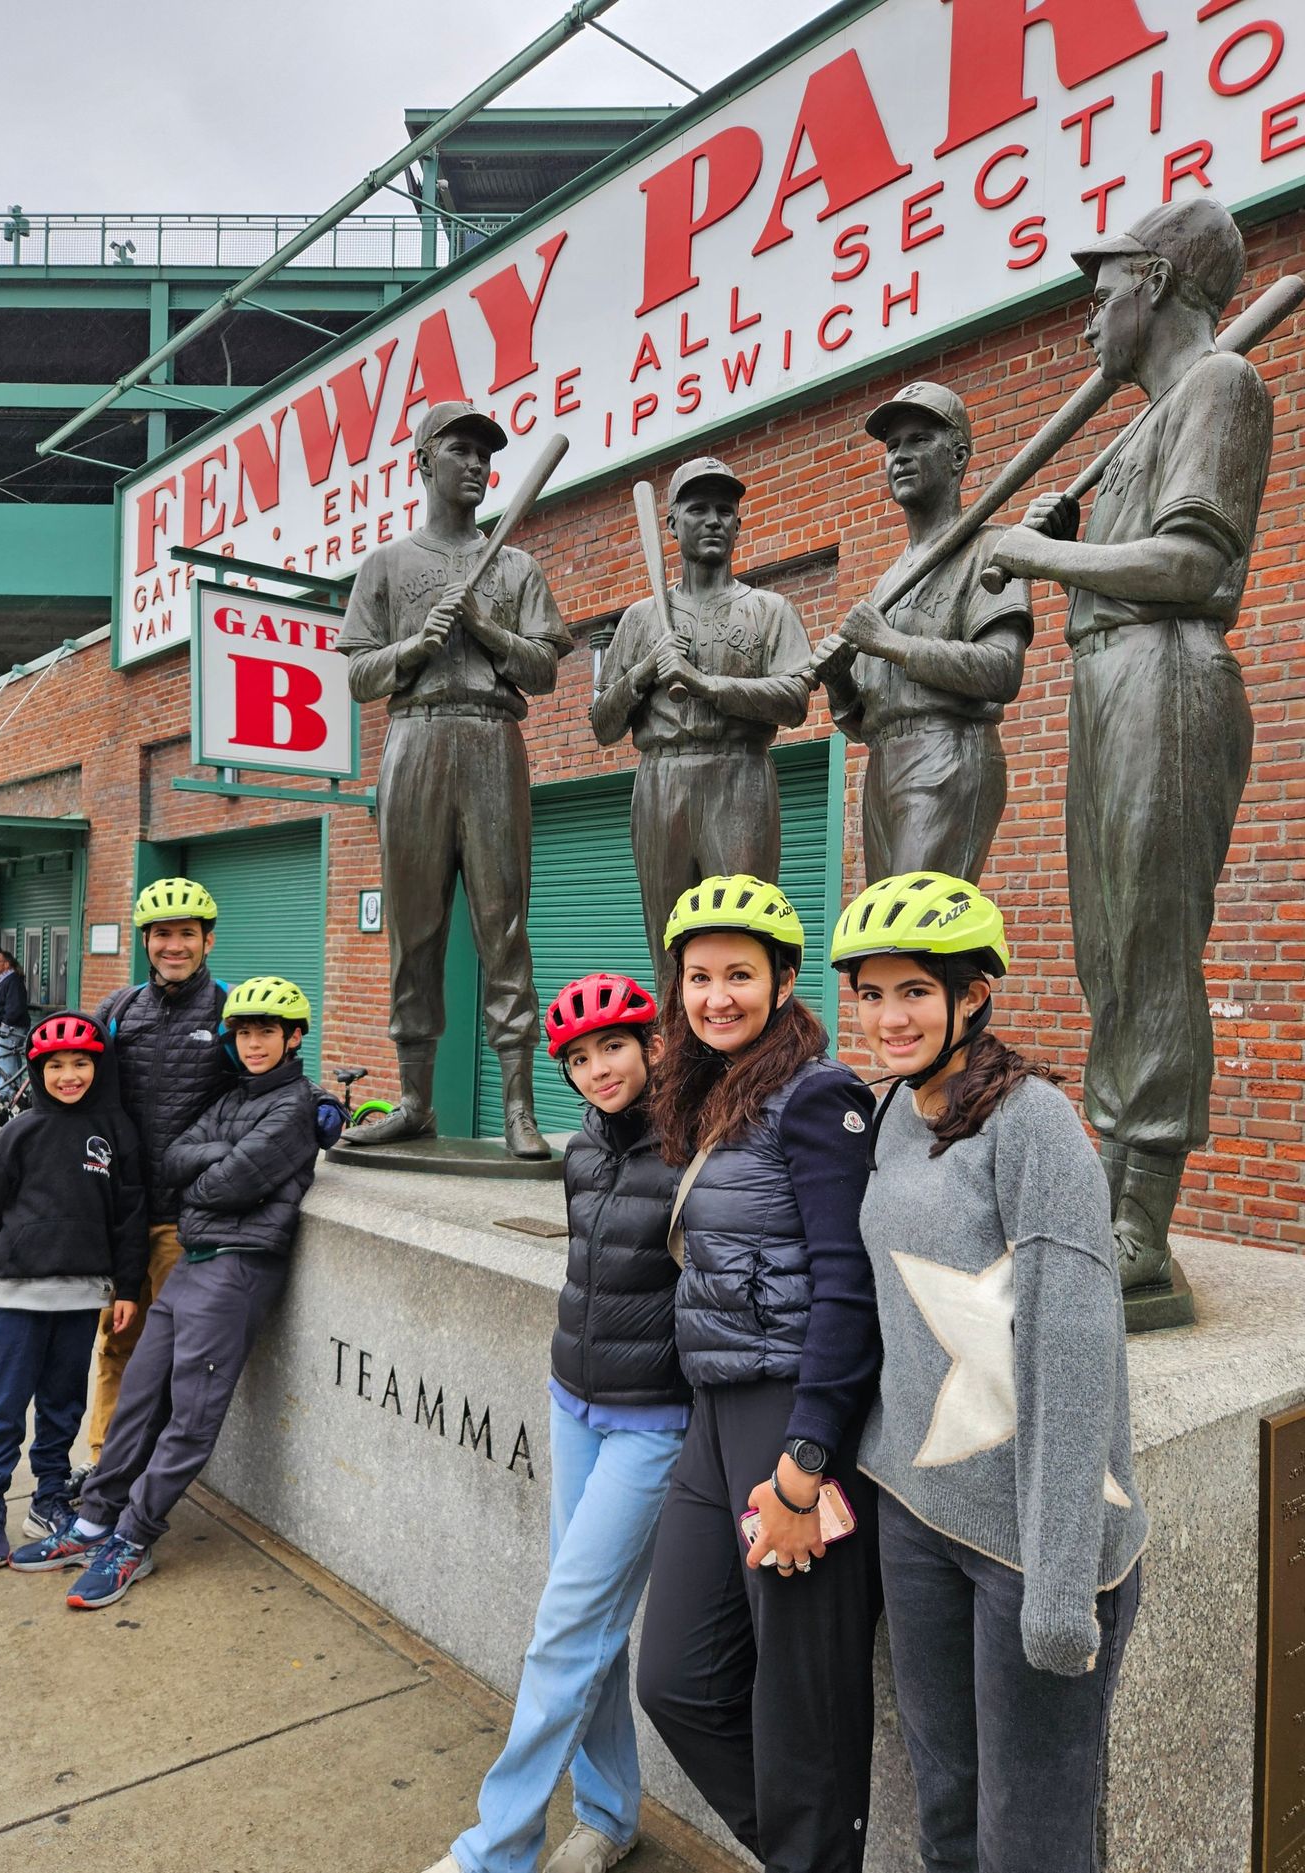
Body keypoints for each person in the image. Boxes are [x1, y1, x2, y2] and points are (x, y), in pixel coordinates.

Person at [830, 870, 1148, 1872]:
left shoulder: (1035, 1126)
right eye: (871, 993)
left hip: (1035, 1545)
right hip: (919, 1520)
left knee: (1034, 1843)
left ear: (973, 994)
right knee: (949, 1814)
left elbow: (1070, 1349)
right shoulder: (892, 1114)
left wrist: (1059, 1589)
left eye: (914, 990)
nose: (888, 1016)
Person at [987, 197, 1273, 1303]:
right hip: (1111, 678)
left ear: (1153, 283)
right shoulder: (1147, 422)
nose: (1086, 320)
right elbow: (1142, 552)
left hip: (1169, 671)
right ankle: (1110, 1195)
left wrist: (1044, 563)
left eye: (1101, 293)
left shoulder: (1220, 385)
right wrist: (1075, 540)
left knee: (1152, 944)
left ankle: (1143, 1223)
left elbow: (1198, 566)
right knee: (1106, 947)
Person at [635, 875, 881, 1873]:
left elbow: (848, 1287)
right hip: (714, 1411)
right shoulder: (707, 1093)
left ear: (784, 981)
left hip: (790, 1420)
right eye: (698, 977)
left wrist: (803, 1463)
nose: (717, 996)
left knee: (807, 1706)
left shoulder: (817, 1096)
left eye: (740, 974)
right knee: (678, 1680)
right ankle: (802, 1855)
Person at [427, 972, 688, 1873]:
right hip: (574, 1402)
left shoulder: (695, 1148)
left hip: (653, 1425)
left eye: (614, 1046)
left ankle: (492, 1851)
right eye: (578, 1057)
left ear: (656, 1045)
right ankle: (611, 1814)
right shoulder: (582, 1154)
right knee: (592, 1630)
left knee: (566, 1629)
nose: (597, 1068)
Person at [10, 976, 320, 1608]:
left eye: (268, 1032)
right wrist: (217, 1163)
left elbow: (222, 1183)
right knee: (141, 1393)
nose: (254, 1042)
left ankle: (135, 1537)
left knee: (190, 1413)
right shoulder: (235, 1095)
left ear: (293, 1038)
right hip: (195, 1260)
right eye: (244, 1032)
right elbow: (176, 1157)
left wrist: (209, 1173)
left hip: (238, 1267)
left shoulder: (296, 1105)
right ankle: (96, 1517)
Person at [336, 400, 572, 1159]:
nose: (476, 464)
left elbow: (546, 666)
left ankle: (517, 1106)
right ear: (424, 460)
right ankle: (414, 1100)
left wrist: (486, 626)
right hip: (415, 737)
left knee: (504, 926)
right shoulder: (388, 565)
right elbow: (358, 676)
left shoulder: (515, 567)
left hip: (493, 736)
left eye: (485, 453)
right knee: (415, 930)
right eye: (461, 450)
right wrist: (413, 644)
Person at [590, 457, 812, 985]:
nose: (714, 520)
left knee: (741, 932)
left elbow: (794, 698)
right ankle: (679, 1062)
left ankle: (750, 1063)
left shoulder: (768, 609)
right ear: (671, 524)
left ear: (738, 523)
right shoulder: (642, 619)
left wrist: (707, 684)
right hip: (662, 778)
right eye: (698, 509)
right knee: (669, 941)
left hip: (740, 774)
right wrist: (646, 669)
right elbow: (602, 723)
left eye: (725, 510)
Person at [815, 382, 1033, 884]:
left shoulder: (990, 550)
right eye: (892, 447)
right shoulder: (888, 580)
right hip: (885, 762)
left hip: (949, 751)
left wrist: (889, 642)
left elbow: (1003, 671)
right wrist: (839, 681)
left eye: (918, 440)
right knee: (884, 934)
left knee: (916, 930)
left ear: (957, 456)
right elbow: (863, 721)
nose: (900, 456)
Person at [0, 1012, 147, 1568]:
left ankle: (46, 1497)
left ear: (98, 1067)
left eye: (81, 1064)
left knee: (64, 1404)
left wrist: (128, 1287)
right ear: (38, 1071)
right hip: (17, 1295)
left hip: (82, 1294)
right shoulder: (19, 1133)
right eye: (56, 1065)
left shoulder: (115, 1132)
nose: (69, 1075)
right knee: (6, 1404)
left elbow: (130, 1218)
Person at [81, 876, 235, 1473]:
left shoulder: (228, 1009)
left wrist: (317, 1106)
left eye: (187, 935)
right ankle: (102, 1467)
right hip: (121, 1214)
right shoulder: (118, 1010)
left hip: (185, 1220)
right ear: (146, 942)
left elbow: (268, 1074)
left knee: (173, 1354)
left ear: (208, 941)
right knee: (116, 1343)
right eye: (163, 935)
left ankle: (147, 1474)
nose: (175, 946)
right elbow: (72, 1087)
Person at [0, 950, 29, 1094]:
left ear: (6, 964)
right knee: (2, 1058)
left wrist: (5, 1023)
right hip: (4, 1028)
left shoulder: (13, 981)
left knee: (6, 1059)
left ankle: (8, 1093)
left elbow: (15, 1007)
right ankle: (5, 1090)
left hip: (11, 1028)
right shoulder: (3, 979)